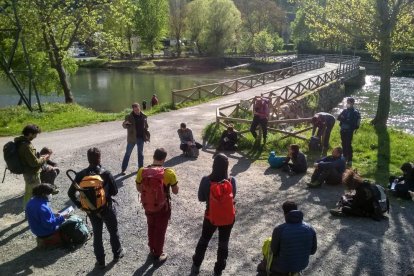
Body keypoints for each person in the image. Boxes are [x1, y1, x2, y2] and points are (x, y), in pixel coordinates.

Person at [68, 147, 124, 268]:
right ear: (99, 158)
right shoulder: (106, 173)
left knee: (97, 235)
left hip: (91, 210)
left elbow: (70, 193)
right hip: (106, 208)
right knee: (113, 232)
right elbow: (115, 191)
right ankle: (117, 254)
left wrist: (81, 205)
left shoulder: (81, 174)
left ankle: (100, 261)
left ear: (88, 159)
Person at [191, 154, 237, 276]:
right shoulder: (232, 181)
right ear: (227, 166)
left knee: (204, 240)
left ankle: (196, 266)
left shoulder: (206, 180)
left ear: (213, 165)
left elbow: (201, 198)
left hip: (210, 217)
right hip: (228, 217)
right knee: (223, 244)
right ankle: (218, 271)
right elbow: (233, 196)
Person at [135, 148, 179, 263]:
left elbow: (139, 189)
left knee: (151, 226)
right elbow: (175, 191)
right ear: (164, 159)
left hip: (148, 205)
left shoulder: (142, 171)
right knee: (160, 229)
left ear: (154, 156)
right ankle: (158, 253)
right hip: (162, 207)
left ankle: (151, 249)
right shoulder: (169, 172)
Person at [269, 201, 317, 275]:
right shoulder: (310, 228)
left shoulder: (279, 229)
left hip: (283, 266)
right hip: (302, 265)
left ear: (284, 213)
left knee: (268, 246)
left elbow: (274, 251)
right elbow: (313, 251)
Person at [15, 124, 50, 208]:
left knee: (29, 192)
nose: (35, 136)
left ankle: (28, 210)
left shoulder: (21, 142)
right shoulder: (26, 146)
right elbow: (34, 163)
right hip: (32, 174)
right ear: (30, 133)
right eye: (35, 134)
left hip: (27, 172)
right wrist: (44, 158)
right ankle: (32, 210)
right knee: (36, 193)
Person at [26, 183, 68, 248]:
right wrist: (62, 218)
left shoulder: (31, 201)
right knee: (68, 224)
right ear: (43, 194)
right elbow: (49, 224)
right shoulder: (42, 207)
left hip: (36, 230)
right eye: (49, 193)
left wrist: (53, 215)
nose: (50, 195)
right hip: (45, 231)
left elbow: (38, 216)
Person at [121, 103, 148, 174]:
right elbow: (124, 125)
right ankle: (123, 169)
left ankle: (141, 169)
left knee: (140, 154)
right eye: (135, 110)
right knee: (128, 154)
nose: (136, 111)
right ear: (133, 109)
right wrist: (125, 123)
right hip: (132, 138)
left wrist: (146, 133)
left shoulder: (143, 116)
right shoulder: (129, 117)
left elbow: (146, 126)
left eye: (137, 109)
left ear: (140, 108)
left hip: (141, 138)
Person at [337, 97, 361, 166]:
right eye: (347, 102)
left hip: (349, 131)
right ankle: (344, 157)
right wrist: (345, 120)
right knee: (343, 143)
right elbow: (338, 117)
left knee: (348, 144)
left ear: (353, 103)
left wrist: (344, 119)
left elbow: (352, 123)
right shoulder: (345, 110)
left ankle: (350, 159)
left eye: (349, 102)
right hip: (343, 129)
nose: (348, 104)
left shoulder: (355, 112)